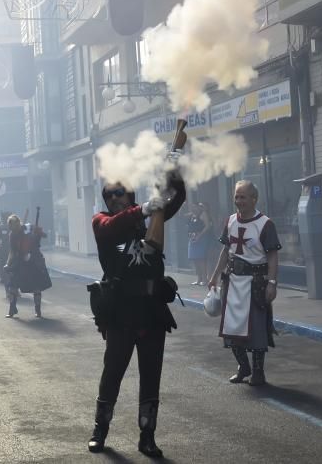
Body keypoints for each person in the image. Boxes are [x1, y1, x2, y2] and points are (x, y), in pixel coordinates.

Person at [87, 174, 185, 457]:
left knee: (151, 375)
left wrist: (172, 173)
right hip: (120, 310)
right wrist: (142, 209)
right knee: (113, 372)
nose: (115, 198)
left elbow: (176, 200)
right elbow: (110, 226)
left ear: (130, 194)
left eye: (120, 193)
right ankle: (100, 431)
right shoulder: (102, 221)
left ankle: (147, 436)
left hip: (152, 309)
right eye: (110, 195)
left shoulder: (150, 219)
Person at [208, 180, 280, 387]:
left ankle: (258, 372)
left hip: (255, 283)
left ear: (254, 199)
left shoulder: (265, 224)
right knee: (231, 329)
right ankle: (243, 367)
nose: (238, 201)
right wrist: (214, 276)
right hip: (232, 282)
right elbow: (226, 250)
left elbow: (273, 255)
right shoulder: (230, 220)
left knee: (256, 330)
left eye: (243, 197)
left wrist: (272, 283)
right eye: (236, 196)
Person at [4, 215, 52, 318]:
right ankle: (12, 309)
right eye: (11, 227)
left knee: (36, 287)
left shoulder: (29, 227)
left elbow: (44, 235)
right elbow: (12, 251)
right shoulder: (12, 235)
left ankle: (38, 309)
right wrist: (8, 263)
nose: (13, 228)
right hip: (20, 261)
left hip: (33, 261)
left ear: (18, 223)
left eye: (13, 226)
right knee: (13, 286)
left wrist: (38, 232)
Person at [187, 204, 213, 285]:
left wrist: (200, 235)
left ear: (198, 207)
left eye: (194, 207)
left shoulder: (203, 214)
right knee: (194, 258)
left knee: (201, 259)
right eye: (191, 207)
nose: (193, 209)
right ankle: (199, 279)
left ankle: (205, 280)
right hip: (192, 238)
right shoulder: (192, 215)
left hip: (201, 238)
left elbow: (207, 226)